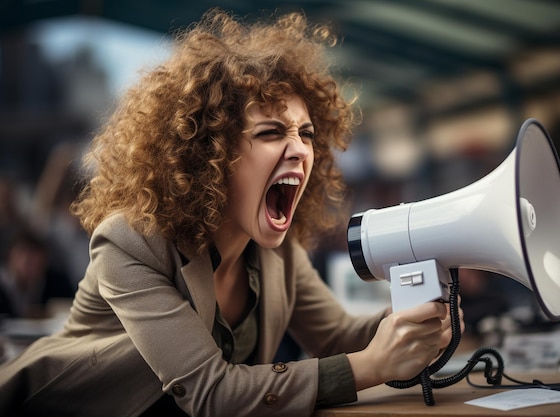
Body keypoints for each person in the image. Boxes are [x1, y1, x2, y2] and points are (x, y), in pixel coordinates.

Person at [0, 8, 462, 416]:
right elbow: (211, 394)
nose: (300, 150)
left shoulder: (277, 252)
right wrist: (372, 365)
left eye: (306, 132)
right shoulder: (129, 241)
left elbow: (339, 338)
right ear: (209, 155)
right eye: (270, 133)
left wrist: (413, 318)